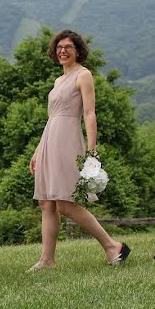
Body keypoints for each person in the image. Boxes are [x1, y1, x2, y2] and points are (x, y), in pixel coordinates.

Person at [29, 30, 130, 270]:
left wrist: (92, 151)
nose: (63, 51)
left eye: (68, 47)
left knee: (65, 202)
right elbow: (51, 118)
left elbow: (89, 113)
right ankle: (47, 260)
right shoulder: (57, 81)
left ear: (78, 50)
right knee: (46, 202)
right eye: (59, 47)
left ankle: (112, 246)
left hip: (67, 139)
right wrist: (37, 150)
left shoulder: (83, 75)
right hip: (49, 140)